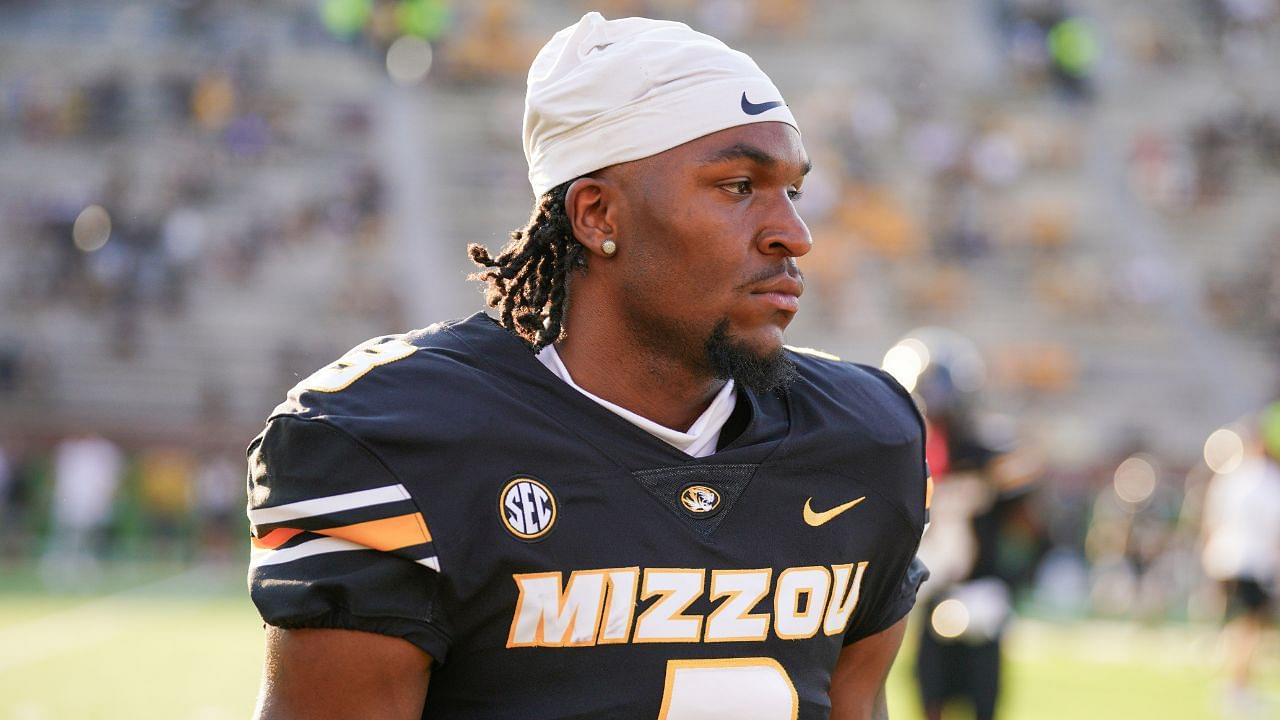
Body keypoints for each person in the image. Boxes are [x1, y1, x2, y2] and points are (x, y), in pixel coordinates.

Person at [248, 13, 929, 720]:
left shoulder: (866, 439)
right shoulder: (394, 440)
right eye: (737, 186)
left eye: (791, 190)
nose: (795, 233)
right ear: (598, 215)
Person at [886, 329, 1041, 720]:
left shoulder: (984, 449)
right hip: (928, 590)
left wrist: (983, 485)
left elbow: (1025, 497)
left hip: (978, 591)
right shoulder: (903, 453)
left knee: (979, 698)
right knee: (929, 695)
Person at [1200, 411, 1280, 717]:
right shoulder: (1267, 479)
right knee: (1248, 629)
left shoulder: (1230, 476)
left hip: (1225, 559)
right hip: (1253, 561)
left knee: (1238, 627)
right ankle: (1237, 689)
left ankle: (1236, 686)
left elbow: (1211, 520)